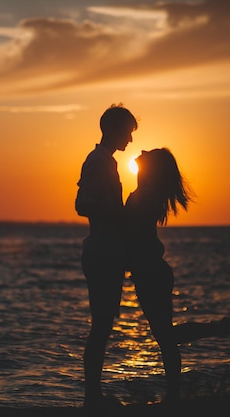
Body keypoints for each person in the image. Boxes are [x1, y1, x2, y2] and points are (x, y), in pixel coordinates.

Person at [75, 103, 138, 409]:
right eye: (127, 132)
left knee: (102, 326)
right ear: (113, 130)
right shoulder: (98, 161)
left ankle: (94, 396)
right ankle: (92, 399)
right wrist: (117, 213)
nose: (130, 139)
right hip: (101, 252)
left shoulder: (106, 162)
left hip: (108, 252)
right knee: (100, 326)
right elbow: (82, 204)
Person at [124, 148, 194, 405]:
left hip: (151, 273)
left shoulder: (147, 195)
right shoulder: (145, 192)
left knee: (165, 337)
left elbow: (135, 234)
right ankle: (173, 396)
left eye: (148, 153)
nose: (141, 151)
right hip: (149, 271)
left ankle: (173, 397)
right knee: (165, 336)